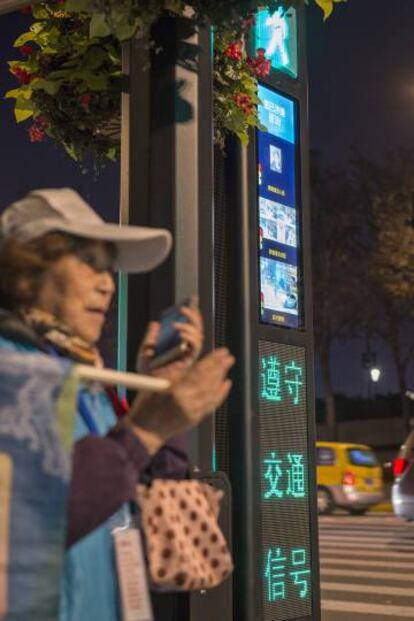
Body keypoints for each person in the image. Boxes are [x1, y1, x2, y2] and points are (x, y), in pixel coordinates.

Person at [0, 188, 234, 621]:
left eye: (109, 269)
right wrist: (143, 429)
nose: (108, 284)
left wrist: (160, 394)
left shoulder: (87, 380)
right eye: (90, 262)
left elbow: (146, 500)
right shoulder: (12, 371)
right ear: (27, 267)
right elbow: (29, 518)